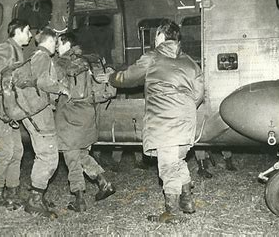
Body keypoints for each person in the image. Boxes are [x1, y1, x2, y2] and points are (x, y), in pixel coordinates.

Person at [98, 19, 204, 224]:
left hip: (165, 121)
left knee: (168, 167)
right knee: (177, 161)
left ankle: (171, 212)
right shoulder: (190, 62)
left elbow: (128, 77)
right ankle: (187, 201)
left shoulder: (153, 56)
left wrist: (111, 77)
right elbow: (199, 94)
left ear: (161, 37)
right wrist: (184, 108)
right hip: (186, 120)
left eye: (156, 36)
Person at [54, 32, 116, 212]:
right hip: (89, 115)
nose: (57, 48)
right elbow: (104, 90)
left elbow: (51, 90)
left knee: (71, 158)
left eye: (58, 44)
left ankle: (79, 199)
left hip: (69, 116)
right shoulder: (89, 61)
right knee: (81, 155)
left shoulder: (60, 64)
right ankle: (104, 183)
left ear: (66, 44)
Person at [0, 19, 32, 209]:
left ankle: (12, 191)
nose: (30, 35)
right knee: (5, 151)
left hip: (9, 108)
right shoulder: (6, 48)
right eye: (27, 31)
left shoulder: (16, 49)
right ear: (17, 31)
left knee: (17, 151)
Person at [22, 27, 70, 218]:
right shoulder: (43, 57)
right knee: (49, 156)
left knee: (43, 154)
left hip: (35, 112)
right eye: (56, 43)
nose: (57, 47)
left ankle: (37, 195)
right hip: (40, 113)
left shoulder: (34, 56)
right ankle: (34, 201)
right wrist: (61, 88)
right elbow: (43, 82)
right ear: (51, 41)